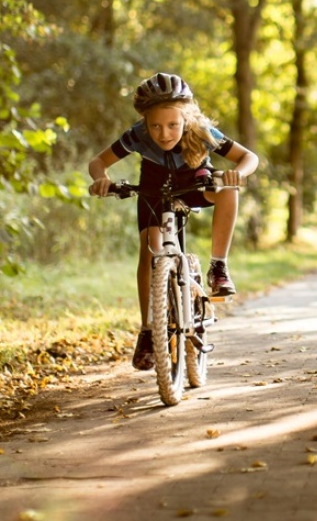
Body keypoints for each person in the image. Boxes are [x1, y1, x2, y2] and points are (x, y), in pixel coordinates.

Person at [88, 73, 260, 370]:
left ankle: (218, 266)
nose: (164, 134)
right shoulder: (137, 135)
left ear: (186, 117)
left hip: (193, 183)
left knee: (227, 189)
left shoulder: (202, 130)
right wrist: (100, 179)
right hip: (153, 187)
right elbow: (98, 162)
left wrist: (239, 174)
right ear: (145, 122)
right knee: (149, 251)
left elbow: (248, 157)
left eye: (172, 125)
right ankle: (148, 330)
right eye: (155, 125)